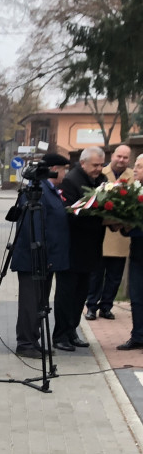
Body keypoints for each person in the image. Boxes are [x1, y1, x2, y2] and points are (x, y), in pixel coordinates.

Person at [10, 153, 71, 359]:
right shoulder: (38, 191)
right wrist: (40, 255)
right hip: (33, 259)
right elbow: (33, 225)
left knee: (39, 303)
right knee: (30, 303)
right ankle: (25, 342)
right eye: (64, 169)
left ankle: (33, 340)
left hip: (46, 259)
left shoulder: (50, 190)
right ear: (54, 169)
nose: (65, 173)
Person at [54, 146, 107, 351]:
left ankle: (72, 330)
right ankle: (59, 334)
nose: (99, 168)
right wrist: (101, 221)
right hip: (72, 249)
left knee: (81, 294)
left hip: (91, 249)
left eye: (101, 165)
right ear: (83, 163)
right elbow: (71, 215)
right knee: (67, 294)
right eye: (95, 165)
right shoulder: (71, 182)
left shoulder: (101, 181)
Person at [86, 144, 133, 321]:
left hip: (120, 235)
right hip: (102, 235)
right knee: (96, 275)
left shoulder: (132, 177)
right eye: (119, 156)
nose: (121, 160)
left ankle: (106, 306)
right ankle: (91, 306)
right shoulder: (101, 173)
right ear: (112, 156)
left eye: (125, 158)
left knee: (115, 276)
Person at [117, 153, 143, 351]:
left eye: (140, 167)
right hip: (137, 254)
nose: (135, 169)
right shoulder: (134, 191)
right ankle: (138, 336)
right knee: (136, 297)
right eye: (135, 165)